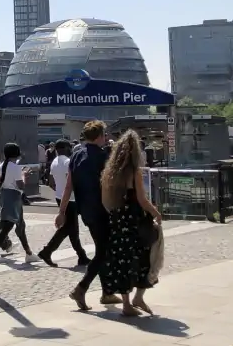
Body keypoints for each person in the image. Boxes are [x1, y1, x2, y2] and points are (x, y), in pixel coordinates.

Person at [99, 130, 163, 317]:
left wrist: (116, 214)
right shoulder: (134, 172)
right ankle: (138, 297)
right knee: (146, 257)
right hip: (136, 219)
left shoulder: (108, 173)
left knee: (122, 260)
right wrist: (156, 213)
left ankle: (126, 303)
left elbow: (105, 201)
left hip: (118, 218)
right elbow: (142, 200)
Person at [59, 121, 119, 310]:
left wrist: (61, 212)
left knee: (102, 249)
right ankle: (81, 288)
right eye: (105, 134)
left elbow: (68, 185)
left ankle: (107, 292)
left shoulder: (76, 155)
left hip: (85, 210)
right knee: (104, 252)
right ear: (100, 136)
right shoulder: (103, 156)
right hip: (103, 209)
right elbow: (109, 185)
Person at [38, 139, 90, 267]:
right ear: (66, 148)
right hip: (70, 199)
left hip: (59, 197)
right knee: (68, 228)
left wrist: (59, 191)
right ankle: (47, 251)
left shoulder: (54, 162)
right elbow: (71, 182)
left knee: (72, 229)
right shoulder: (68, 162)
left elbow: (50, 182)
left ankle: (82, 256)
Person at [0, 143, 40, 264]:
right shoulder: (16, 168)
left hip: (5, 195)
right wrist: (24, 175)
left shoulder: (2, 165)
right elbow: (21, 185)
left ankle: (28, 252)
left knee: (19, 225)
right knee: (9, 225)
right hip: (14, 196)